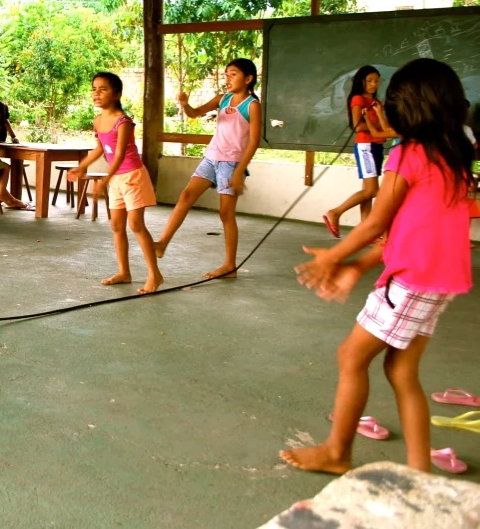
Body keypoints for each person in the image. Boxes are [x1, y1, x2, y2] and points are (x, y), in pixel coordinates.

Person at [283, 58, 474, 475]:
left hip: (412, 281)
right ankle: (419, 471)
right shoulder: (453, 159)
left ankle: (337, 452)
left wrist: (333, 256)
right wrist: (356, 266)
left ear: (407, 107)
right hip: (438, 282)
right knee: (401, 371)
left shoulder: (407, 155)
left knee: (351, 356)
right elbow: (409, 232)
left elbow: (376, 222)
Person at [154, 58, 263, 279]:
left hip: (232, 163)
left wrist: (239, 172)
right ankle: (162, 243)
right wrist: (185, 104)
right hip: (212, 157)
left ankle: (230, 266)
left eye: (233, 74)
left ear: (248, 79)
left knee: (226, 214)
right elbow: (195, 113)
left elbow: (253, 142)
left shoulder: (252, 105)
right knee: (186, 196)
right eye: (226, 74)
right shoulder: (223, 99)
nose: (227, 78)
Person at [68, 72, 163, 292]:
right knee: (117, 226)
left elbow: (119, 155)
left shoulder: (123, 122)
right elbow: (100, 149)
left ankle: (155, 274)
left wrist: (105, 180)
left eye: (103, 89)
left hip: (132, 177)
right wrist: (82, 166)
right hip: (117, 179)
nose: (96, 93)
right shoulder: (98, 120)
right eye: (94, 89)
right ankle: (124, 272)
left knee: (136, 225)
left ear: (117, 94)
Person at [322, 66, 397, 238]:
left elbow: (384, 127)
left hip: (377, 147)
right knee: (372, 190)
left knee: (367, 191)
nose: (373, 84)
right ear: (361, 81)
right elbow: (358, 126)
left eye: (376, 81)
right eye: (369, 81)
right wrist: (379, 125)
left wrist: (381, 122)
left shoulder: (376, 103)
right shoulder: (358, 99)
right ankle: (335, 212)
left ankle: (365, 229)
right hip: (366, 147)